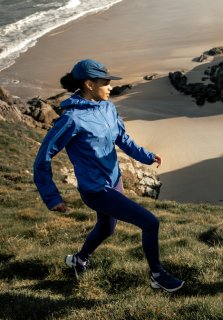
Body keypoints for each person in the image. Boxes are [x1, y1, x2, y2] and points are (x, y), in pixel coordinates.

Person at [33, 59, 184, 292]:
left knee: (106, 228)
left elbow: (122, 138)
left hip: (115, 180)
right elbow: (43, 157)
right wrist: (52, 197)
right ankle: (157, 275)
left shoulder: (108, 107)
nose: (111, 86)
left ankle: (79, 260)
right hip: (95, 190)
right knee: (150, 222)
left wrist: (146, 156)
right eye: (106, 82)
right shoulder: (71, 119)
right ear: (89, 84)